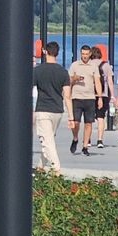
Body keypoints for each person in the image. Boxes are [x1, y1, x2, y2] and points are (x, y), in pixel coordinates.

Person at [34, 41, 73, 174]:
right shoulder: (63, 72)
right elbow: (67, 96)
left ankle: (56, 167)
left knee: (47, 140)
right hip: (57, 110)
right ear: (57, 53)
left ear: (45, 52)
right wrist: (71, 117)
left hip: (43, 109)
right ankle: (40, 165)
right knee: (49, 138)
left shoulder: (38, 71)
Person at [67, 44, 103, 156]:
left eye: (87, 54)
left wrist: (100, 97)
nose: (85, 56)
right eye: (83, 54)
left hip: (90, 98)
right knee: (76, 122)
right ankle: (75, 138)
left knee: (88, 123)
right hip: (77, 97)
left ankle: (85, 146)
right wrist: (74, 79)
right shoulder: (74, 65)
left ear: (90, 54)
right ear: (80, 54)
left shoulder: (93, 66)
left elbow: (97, 81)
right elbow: (68, 83)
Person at [92, 46, 115, 149]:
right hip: (103, 94)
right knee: (101, 117)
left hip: (90, 94)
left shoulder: (89, 65)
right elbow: (110, 81)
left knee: (89, 118)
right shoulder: (106, 65)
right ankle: (100, 140)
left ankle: (87, 140)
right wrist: (113, 95)